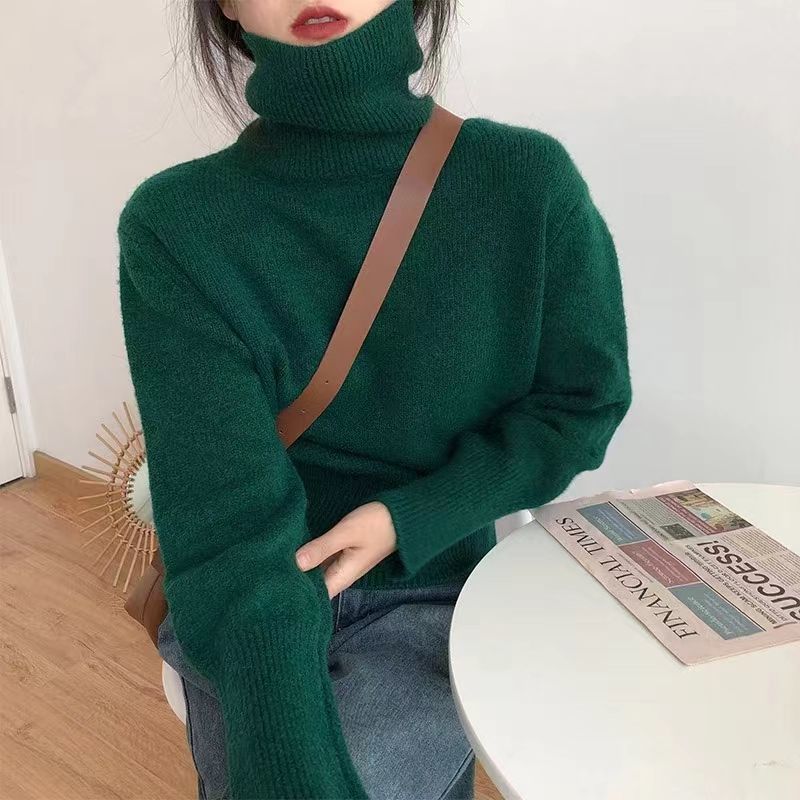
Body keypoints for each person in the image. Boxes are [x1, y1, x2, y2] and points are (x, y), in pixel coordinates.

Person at [117, 1, 633, 798]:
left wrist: (411, 516)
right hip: (250, 602)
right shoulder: (175, 225)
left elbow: (580, 403)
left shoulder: (525, 184)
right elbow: (227, 528)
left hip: (437, 590)